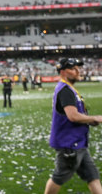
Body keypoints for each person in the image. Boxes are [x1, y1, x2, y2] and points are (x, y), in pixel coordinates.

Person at [44, 58, 102, 194]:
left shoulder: (69, 89)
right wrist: (94, 118)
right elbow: (73, 116)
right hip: (69, 144)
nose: (78, 71)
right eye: (73, 68)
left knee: (92, 176)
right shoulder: (65, 90)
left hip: (77, 143)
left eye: (78, 68)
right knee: (59, 177)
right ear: (63, 72)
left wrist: (88, 120)